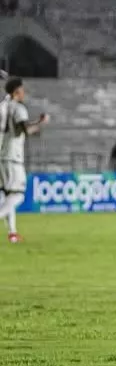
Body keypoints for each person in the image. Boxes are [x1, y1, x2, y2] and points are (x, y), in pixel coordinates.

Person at [0, 78, 50, 243]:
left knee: (7, 195)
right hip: (13, 157)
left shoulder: (4, 106)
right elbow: (25, 130)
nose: (24, 93)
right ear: (16, 92)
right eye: (22, 90)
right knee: (18, 196)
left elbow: (18, 127)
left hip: (3, 155)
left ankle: (12, 233)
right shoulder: (18, 108)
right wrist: (41, 124)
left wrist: (37, 122)